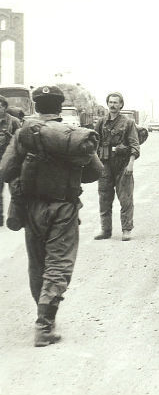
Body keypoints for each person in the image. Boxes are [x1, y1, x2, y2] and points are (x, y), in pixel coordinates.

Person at [0, 85, 102, 346]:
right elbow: (94, 173)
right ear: (59, 107)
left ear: (35, 106)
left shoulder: (24, 132)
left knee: (38, 264)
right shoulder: (72, 135)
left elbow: (5, 171)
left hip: (32, 208)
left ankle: (42, 314)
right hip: (64, 208)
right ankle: (45, 324)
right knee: (59, 263)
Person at [94, 92, 140, 241]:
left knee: (125, 198)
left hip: (122, 165)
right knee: (104, 198)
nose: (113, 105)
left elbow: (134, 145)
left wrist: (131, 163)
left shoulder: (128, 123)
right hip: (105, 165)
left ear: (121, 105)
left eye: (116, 102)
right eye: (111, 102)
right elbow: (93, 143)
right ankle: (105, 230)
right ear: (107, 104)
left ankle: (126, 230)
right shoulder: (101, 122)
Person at [0, 94, 21, 226]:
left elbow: (22, 140)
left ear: (4, 107)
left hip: (11, 160)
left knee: (14, 189)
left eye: (0, 106)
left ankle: (16, 216)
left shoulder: (13, 121)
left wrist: (9, 136)